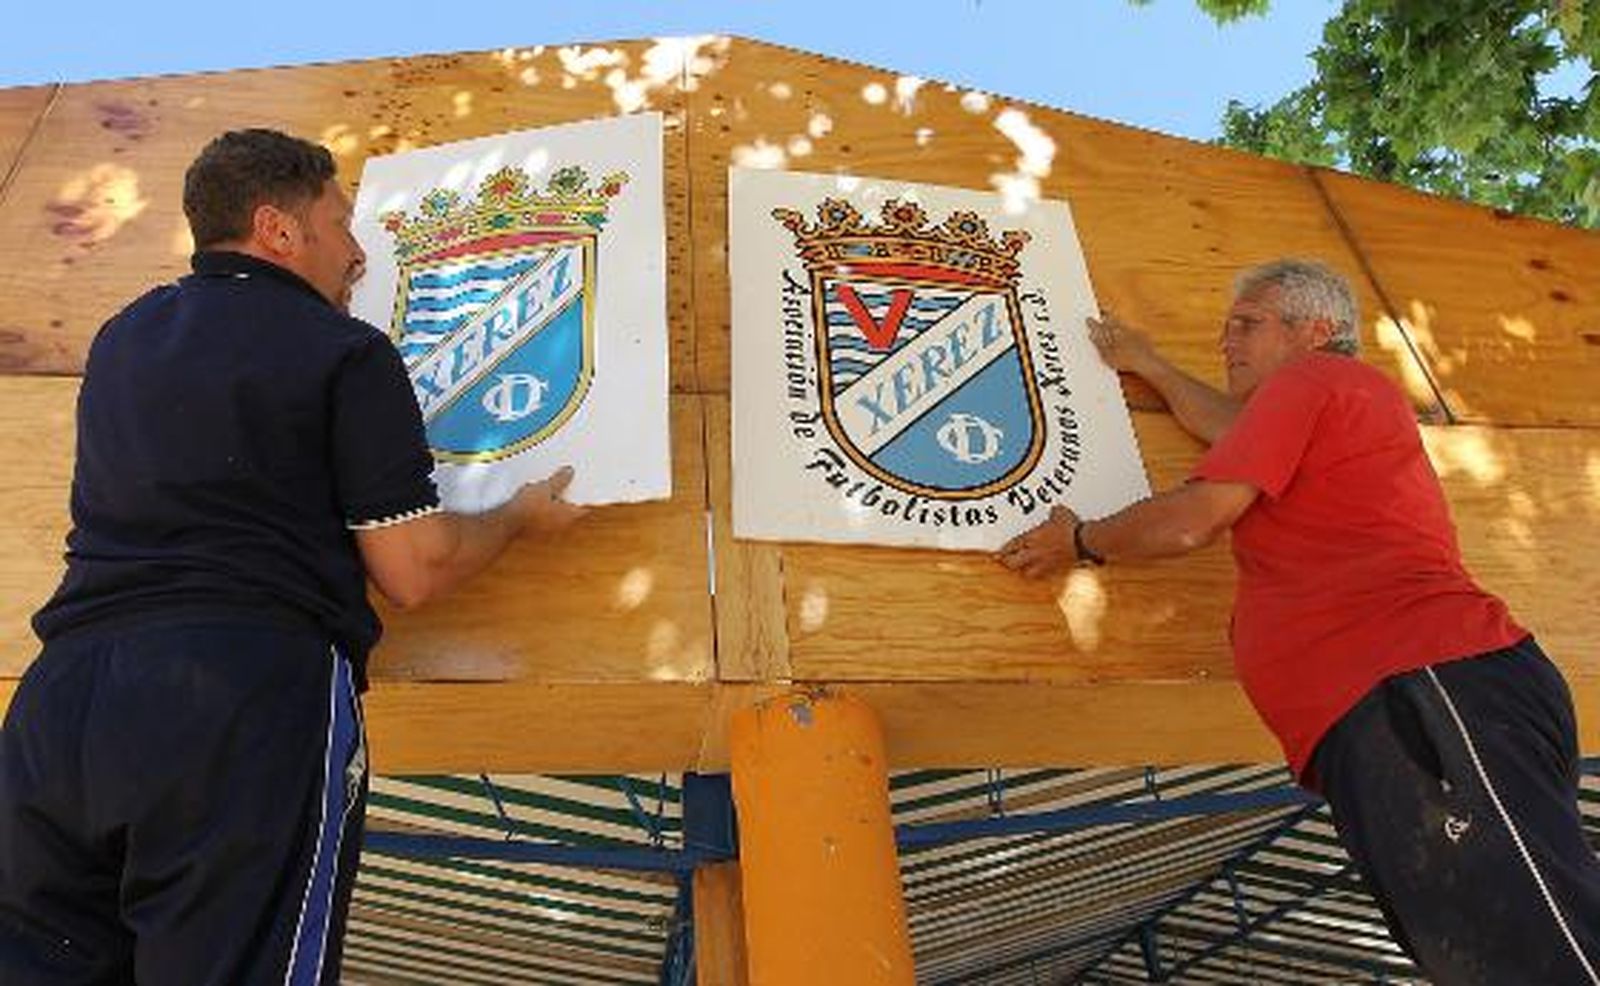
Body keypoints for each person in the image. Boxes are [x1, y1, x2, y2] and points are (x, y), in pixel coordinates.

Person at [0, 128, 587, 985]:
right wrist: (517, 517)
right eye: (341, 223)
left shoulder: (123, 337)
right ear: (278, 228)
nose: (358, 254)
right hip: (239, 694)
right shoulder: (341, 349)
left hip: (62, 702)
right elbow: (414, 569)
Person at [997, 259, 1600, 985]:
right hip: (1401, 704)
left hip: (1419, 684)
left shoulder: (1315, 380)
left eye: (1247, 324)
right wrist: (1150, 364)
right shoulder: (1322, 403)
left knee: (1529, 944)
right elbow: (1225, 426)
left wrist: (1079, 540)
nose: (1226, 340)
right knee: (1488, 946)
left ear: (1317, 332)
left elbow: (1193, 521)